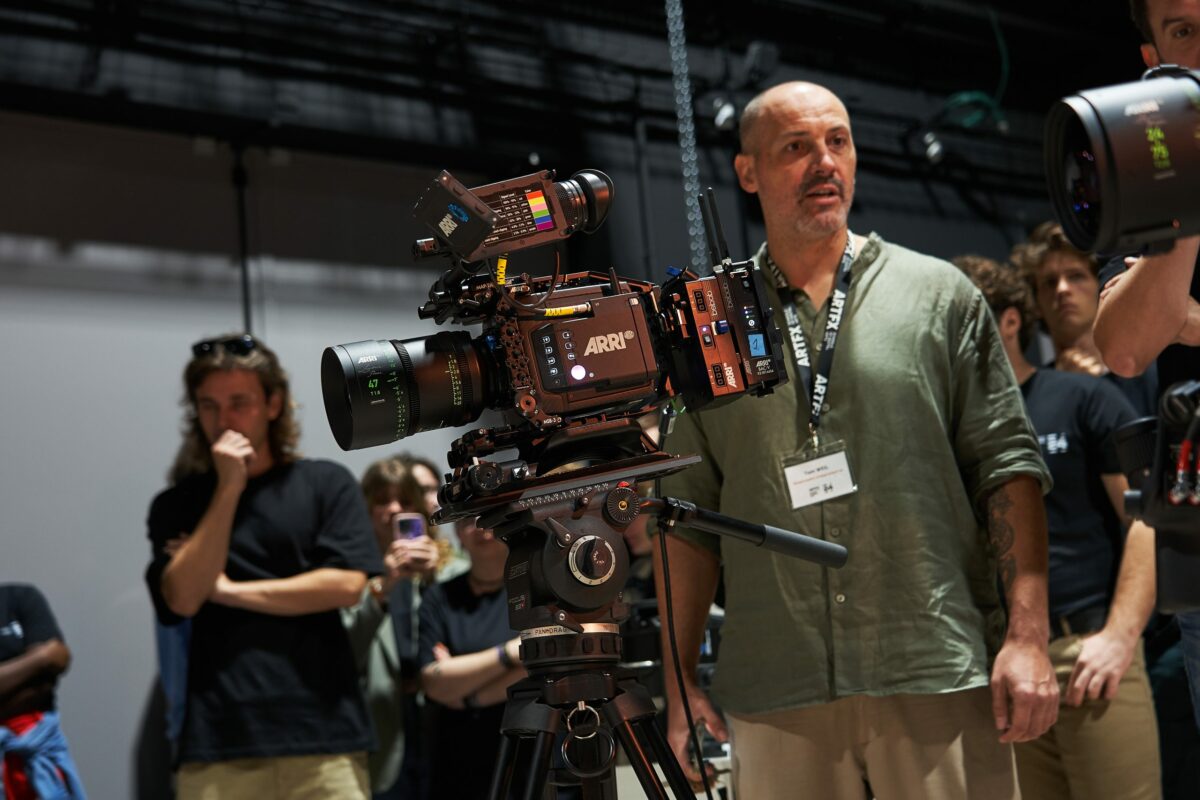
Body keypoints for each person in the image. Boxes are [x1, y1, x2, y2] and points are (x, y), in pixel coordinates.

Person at [653, 81, 1057, 799]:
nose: (823, 162)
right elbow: (684, 513)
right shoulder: (705, 324)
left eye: (837, 141)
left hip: (932, 663)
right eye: (796, 147)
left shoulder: (940, 297)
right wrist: (678, 678)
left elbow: (1007, 467)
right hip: (778, 679)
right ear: (748, 173)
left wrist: (1027, 638)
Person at [955, 255, 1161, 799]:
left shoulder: (1080, 398)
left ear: (1010, 320)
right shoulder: (957, 431)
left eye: (961, 320)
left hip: (1088, 654)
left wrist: (1118, 637)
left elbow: (1149, 519)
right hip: (1004, 666)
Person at [144, 333, 382, 799]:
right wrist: (228, 487)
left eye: (239, 403)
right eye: (208, 406)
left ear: (273, 405)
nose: (222, 420)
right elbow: (183, 597)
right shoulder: (177, 504)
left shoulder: (324, 483)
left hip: (323, 737)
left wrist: (229, 591)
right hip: (218, 743)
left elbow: (346, 585)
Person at [341, 457, 441, 799]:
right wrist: (382, 587)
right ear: (366, 507)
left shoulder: (448, 566)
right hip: (380, 731)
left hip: (442, 728)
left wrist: (436, 573)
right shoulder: (347, 575)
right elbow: (342, 652)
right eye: (382, 500)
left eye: (405, 500)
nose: (394, 509)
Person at [418, 516, 524, 800]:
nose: (480, 526)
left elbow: (542, 665)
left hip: (530, 749)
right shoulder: (439, 597)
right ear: (456, 532)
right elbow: (434, 684)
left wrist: (468, 694)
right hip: (460, 759)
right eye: (467, 518)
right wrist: (508, 654)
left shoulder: (534, 587)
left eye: (490, 515)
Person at [1011, 222, 1157, 415]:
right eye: (1050, 282)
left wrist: (1093, 390)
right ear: (1036, 304)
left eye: (1076, 276)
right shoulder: (1029, 394)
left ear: (1102, 285)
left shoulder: (1148, 373)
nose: (1062, 289)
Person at [0, 584, 86, 800]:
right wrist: (41, 658)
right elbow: (50, 657)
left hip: (40, 753)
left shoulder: (20, 597)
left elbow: (52, 672)